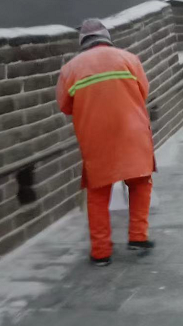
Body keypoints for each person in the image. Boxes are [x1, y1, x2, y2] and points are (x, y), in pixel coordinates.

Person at [56, 19, 156, 266]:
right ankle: (138, 237)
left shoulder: (70, 69)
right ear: (107, 37)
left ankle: (101, 253)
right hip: (132, 132)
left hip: (95, 137)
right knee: (140, 182)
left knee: (98, 194)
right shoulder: (129, 59)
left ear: (82, 42)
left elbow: (65, 106)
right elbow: (143, 91)